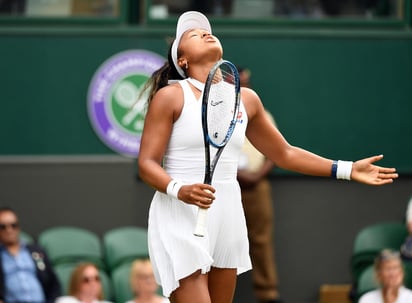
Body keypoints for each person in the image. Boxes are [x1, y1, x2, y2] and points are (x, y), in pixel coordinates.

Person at [137, 10, 398, 303]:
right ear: (181, 60)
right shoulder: (171, 97)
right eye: (193, 34)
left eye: (207, 30)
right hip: (179, 210)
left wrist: (347, 169)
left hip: (228, 211)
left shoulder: (246, 100)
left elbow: (285, 153)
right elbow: (146, 164)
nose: (205, 32)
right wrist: (180, 190)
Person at [236, 66, 281, 303]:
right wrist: (235, 174)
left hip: (258, 185)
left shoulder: (263, 114)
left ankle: (268, 294)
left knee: (262, 240)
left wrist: (257, 176)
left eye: (247, 81)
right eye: (240, 81)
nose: (245, 85)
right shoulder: (218, 114)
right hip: (226, 186)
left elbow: (277, 152)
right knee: (222, 240)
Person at [0, 206, 61, 303]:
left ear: (18, 227)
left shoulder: (36, 251)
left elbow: (53, 284)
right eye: (3, 227)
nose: (9, 230)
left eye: (13, 225)